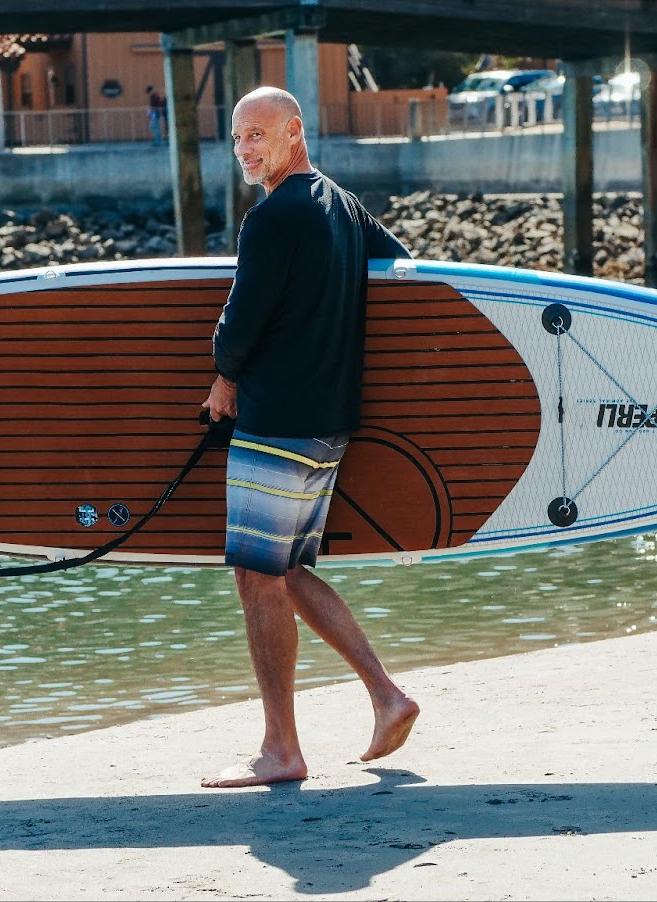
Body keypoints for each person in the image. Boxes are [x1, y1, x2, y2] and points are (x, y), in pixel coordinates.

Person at [200, 86, 419, 789]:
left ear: (294, 132)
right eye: (238, 137)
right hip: (328, 423)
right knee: (284, 571)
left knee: (256, 579)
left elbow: (237, 326)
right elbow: (401, 268)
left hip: (276, 422)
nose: (246, 148)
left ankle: (281, 750)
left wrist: (224, 376)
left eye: (258, 134)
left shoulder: (271, 219)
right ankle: (388, 696)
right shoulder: (344, 207)